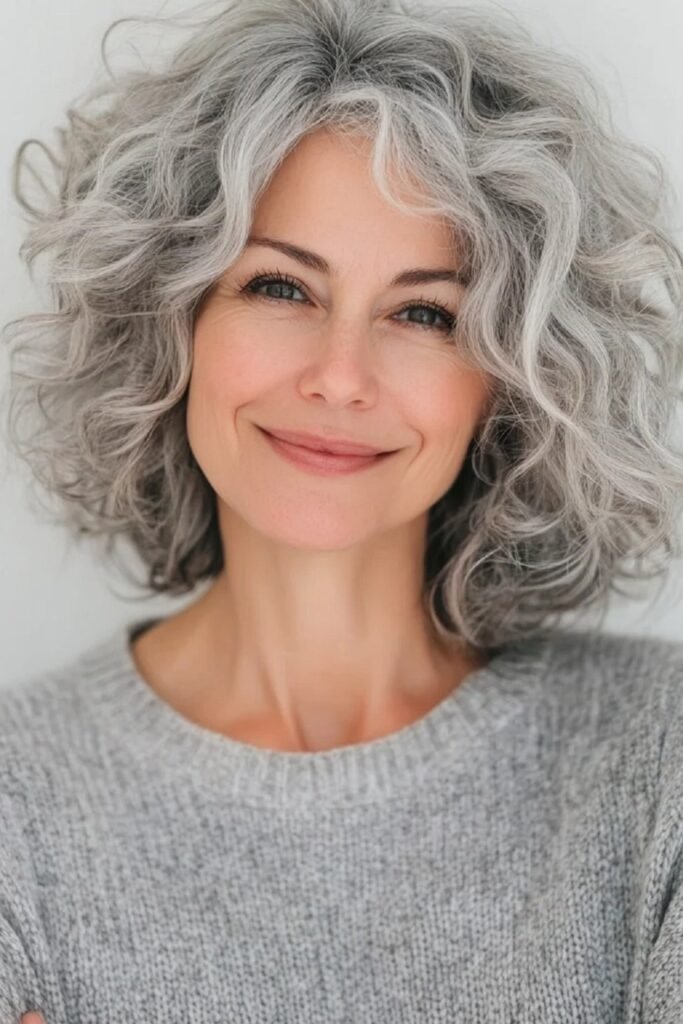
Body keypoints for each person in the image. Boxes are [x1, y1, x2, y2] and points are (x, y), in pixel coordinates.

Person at [2, 0, 683, 1021]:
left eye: (422, 312)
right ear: (169, 317)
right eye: (280, 287)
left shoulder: (661, 755)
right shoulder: (16, 805)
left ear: (509, 376)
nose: (339, 376)